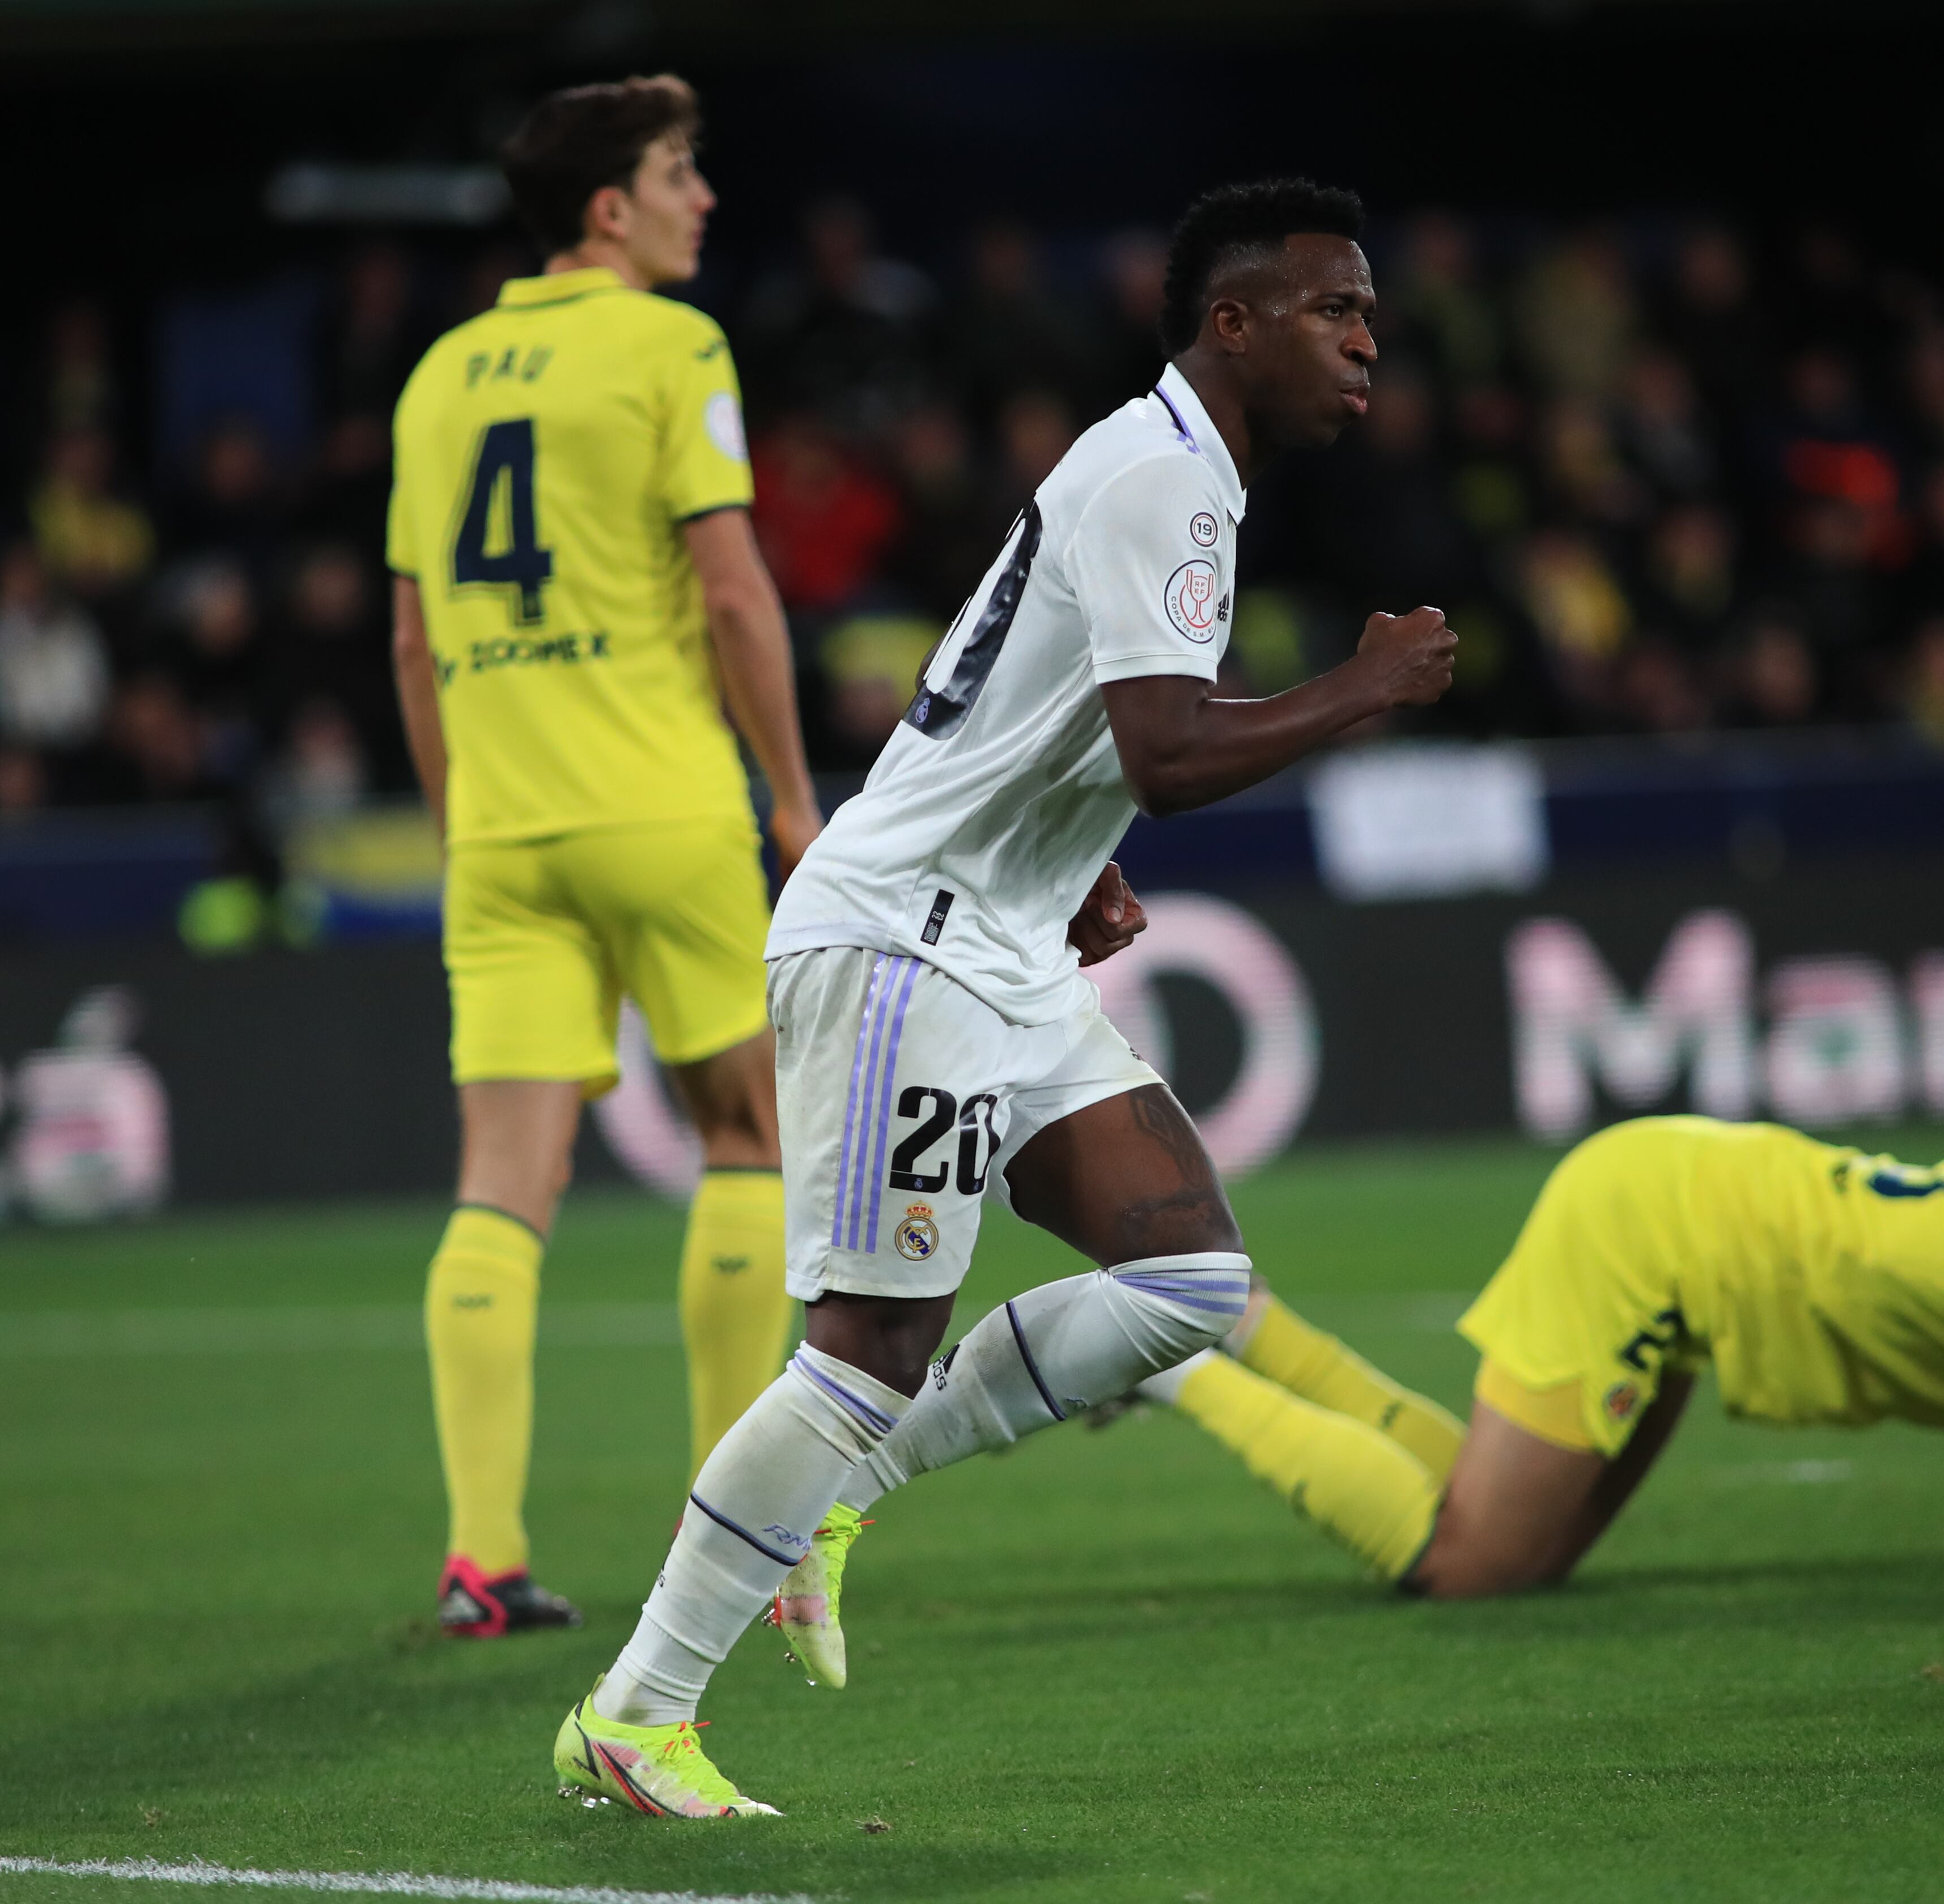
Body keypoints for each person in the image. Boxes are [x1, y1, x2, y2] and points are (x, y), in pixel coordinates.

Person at [550, 177, 1457, 1820]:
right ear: (1233, 323)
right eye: (1336, 311)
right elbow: (1171, 752)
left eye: (1371, 314)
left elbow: (990, 685)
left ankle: (838, 1498)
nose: (1367, 342)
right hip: (908, 942)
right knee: (865, 1348)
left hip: (1003, 935)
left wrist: (1063, 842)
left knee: (1184, 1277)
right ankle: (637, 1709)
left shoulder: (1160, 465)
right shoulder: (1167, 478)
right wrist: (1362, 690)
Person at [385, 74, 823, 1640]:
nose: (701, 198)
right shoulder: (669, 345)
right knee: (748, 1132)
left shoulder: (436, 379)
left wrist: (465, 831)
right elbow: (730, 592)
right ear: (605, 209)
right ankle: (736, 1534)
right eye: (676, 171)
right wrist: (791, 789)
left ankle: (479, 1558)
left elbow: (414, 641)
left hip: (501, 828)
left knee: (502, 1183)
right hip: (659, 807)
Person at [1139, 1116, 1944, 1595]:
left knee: (1521, 1535)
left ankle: (1239, 1317)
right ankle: (1168, 1365)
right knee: (1472, 1565)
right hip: (1667, 1234)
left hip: (1700, 1222)